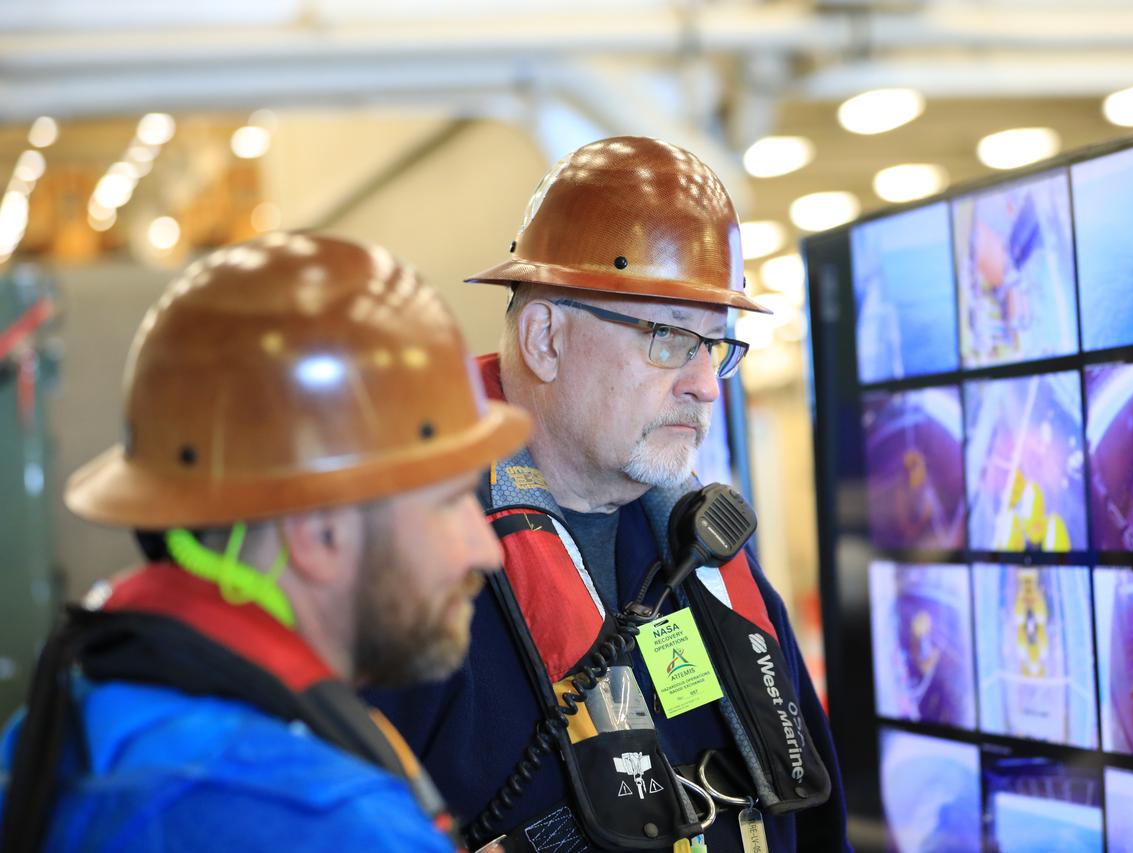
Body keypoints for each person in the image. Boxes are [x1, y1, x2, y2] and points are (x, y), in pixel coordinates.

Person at [369, 138, 851, 852]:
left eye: (713, 346)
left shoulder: (706, 557)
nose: (702, 383)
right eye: (666, 336)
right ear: (544, 336)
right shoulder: (411, 572)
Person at [0, 233, 530, 852]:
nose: (486, 550)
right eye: (450, 501)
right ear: (318, 531)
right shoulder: (322, 822)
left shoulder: (88, 701)